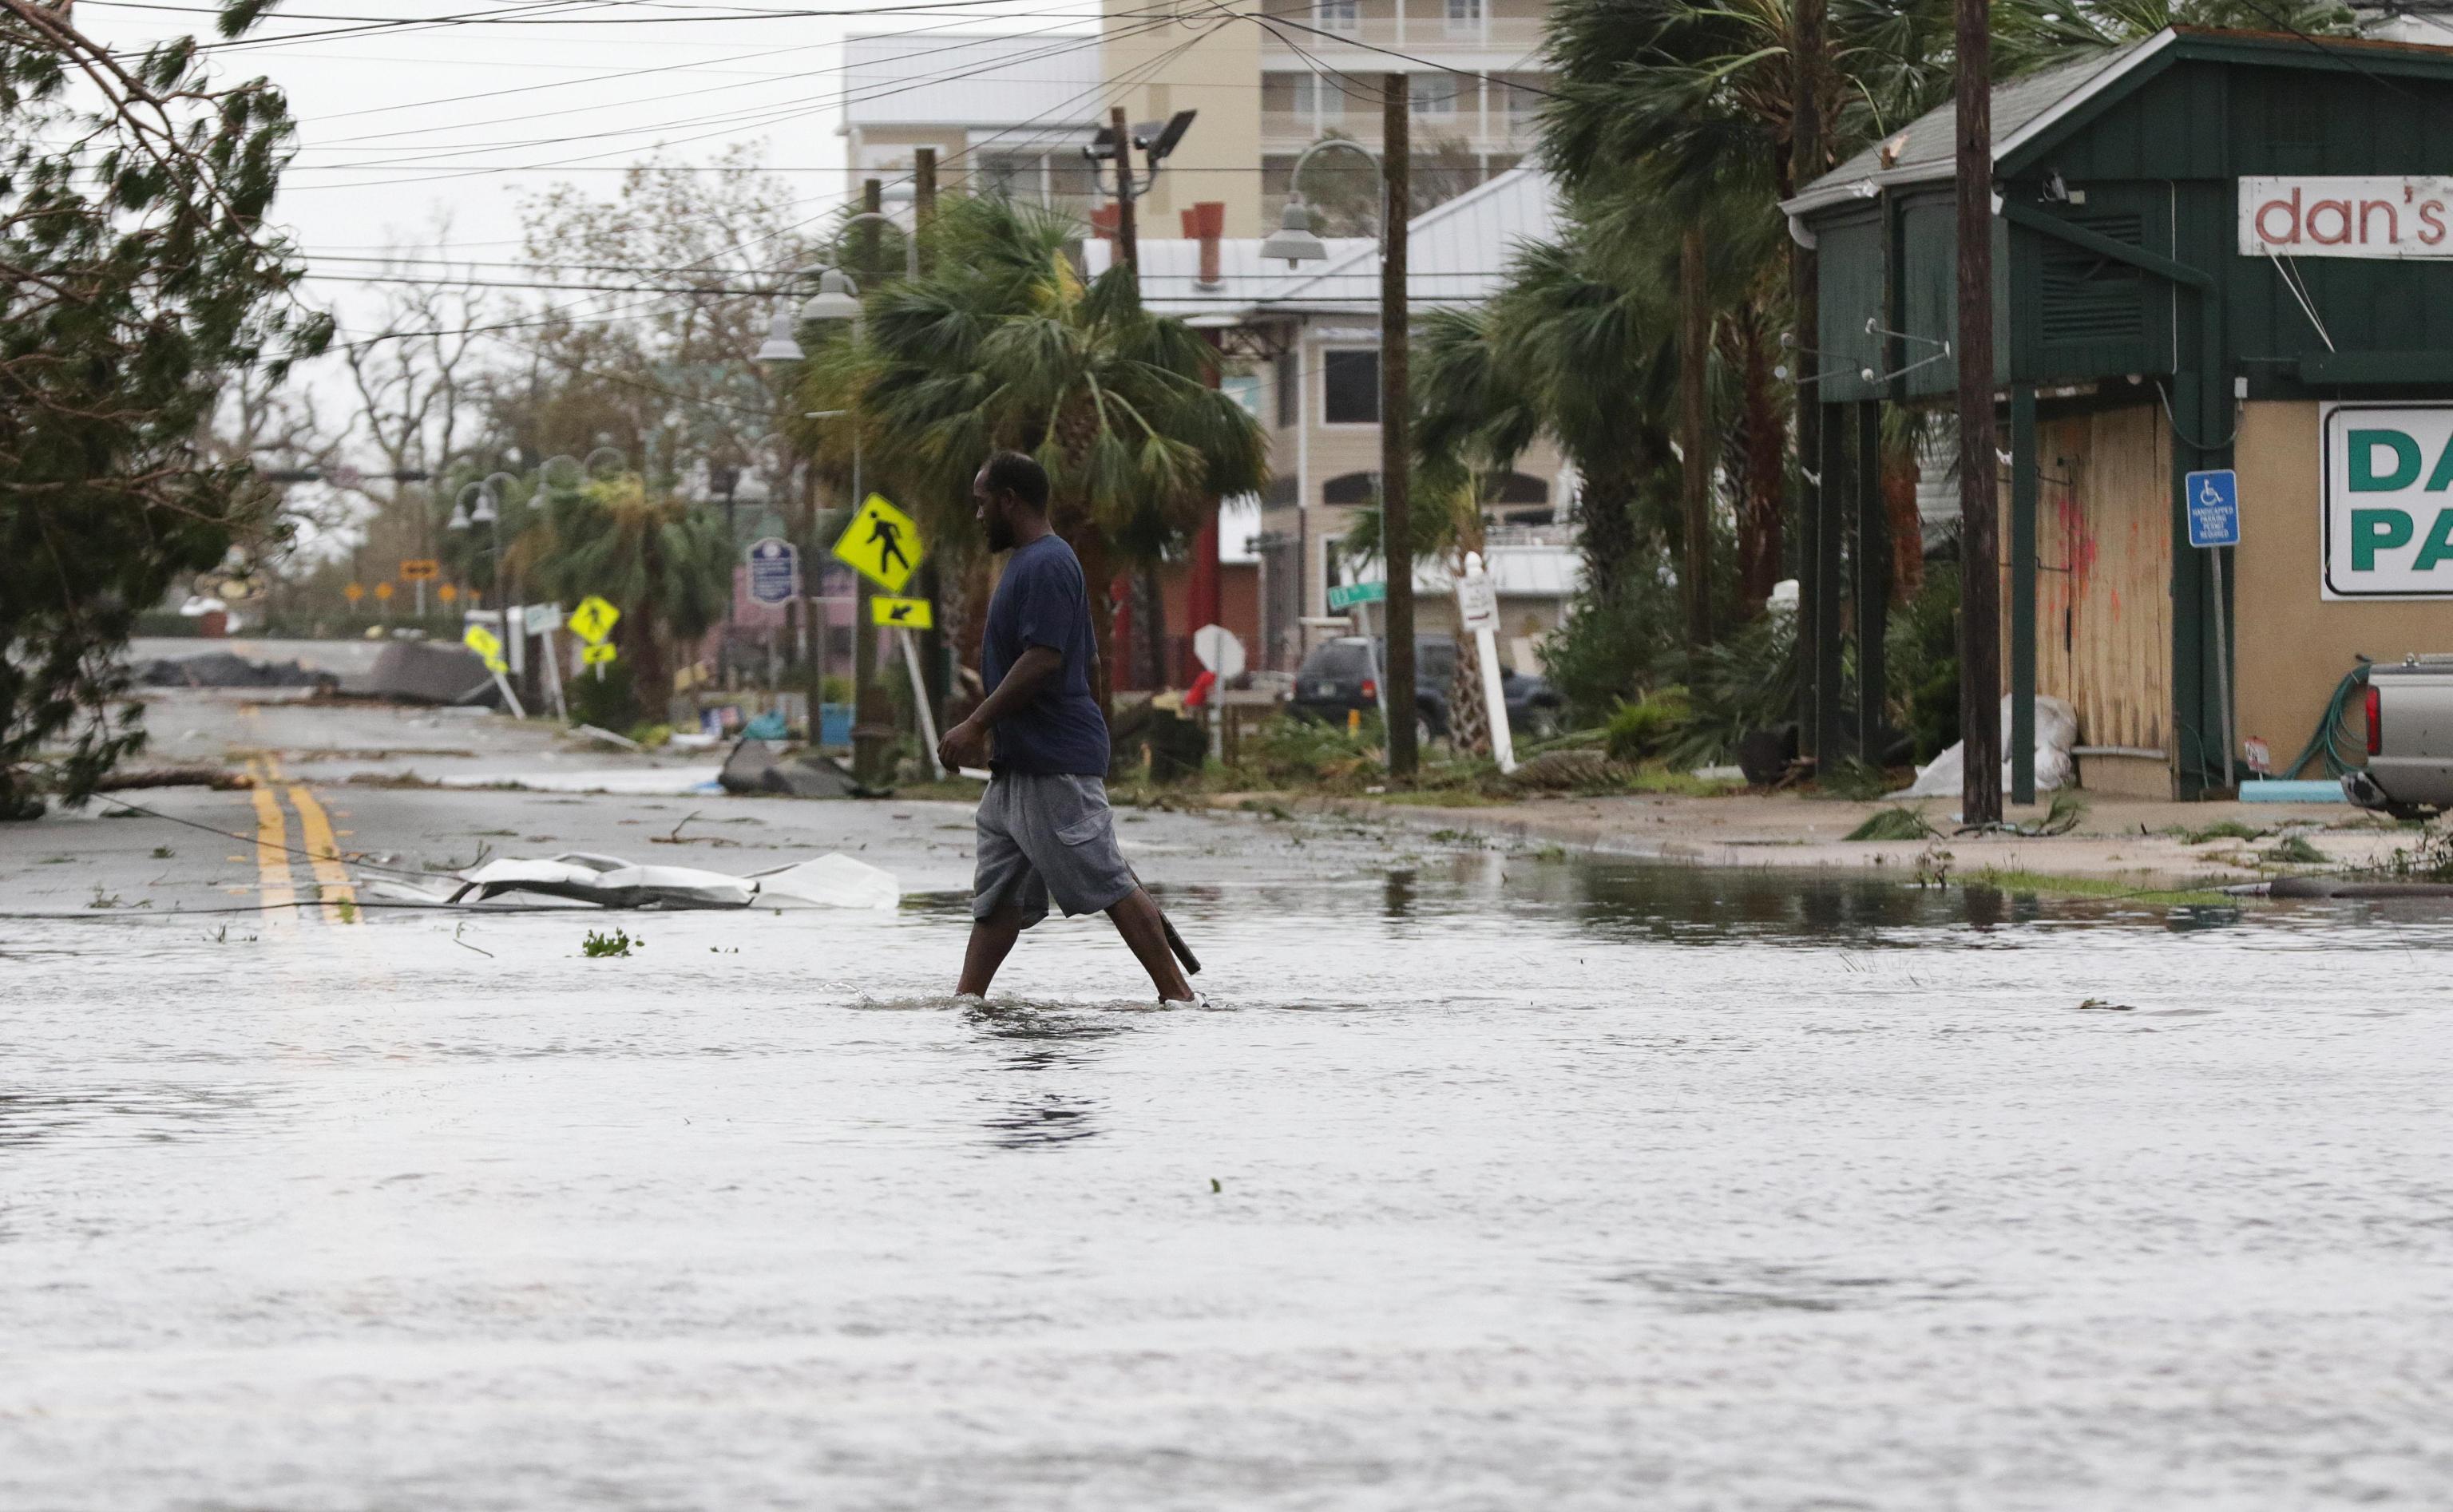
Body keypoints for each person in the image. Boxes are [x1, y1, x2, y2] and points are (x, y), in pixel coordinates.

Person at [937, 451, 1194, 1003]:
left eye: (983, 504)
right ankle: (966, 1003)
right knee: (998, 896)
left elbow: (1046, 657)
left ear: (1009, 501)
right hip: (1022, 762)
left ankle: (1179, 1000)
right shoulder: (1031, 564)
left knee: (1106, 879)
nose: (978, 515)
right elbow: (1093, 662)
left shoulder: (1049, 564)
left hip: (1051, 762)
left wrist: (977, 724)